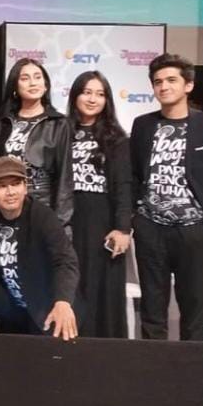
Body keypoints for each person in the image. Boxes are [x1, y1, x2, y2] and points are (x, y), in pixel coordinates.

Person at [129, 53, 203, 341]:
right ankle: (154, 366)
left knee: (194, 309)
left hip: (193, 230)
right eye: (158, 81)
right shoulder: (142, 125)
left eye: (171, 80)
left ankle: (191, 368)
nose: (164, 86)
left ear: (188, 85)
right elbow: (133, 174)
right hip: (150, 228)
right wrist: (137, 218)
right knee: (152, 310)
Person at [0, 157, 80, 339]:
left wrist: (63, 302)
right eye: (1, 186)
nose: (10, 192)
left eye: (16, 184)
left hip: (48, 311)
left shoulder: (42, 216)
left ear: (25, 187)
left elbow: (65, 260)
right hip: (12, 315)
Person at [65, 71, 133, 338]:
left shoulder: (116, 138)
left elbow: (124, 186)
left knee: (102, 288)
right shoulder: (61, 132)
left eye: (100, 94)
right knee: (70, 283)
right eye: (86, 92)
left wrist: (123, 228)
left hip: (102, 220)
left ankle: (104, 353)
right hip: (68, 218)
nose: (92, 99)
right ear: (75, 96)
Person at [0, 58, 75, 226]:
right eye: (25, 78)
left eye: (38, 77)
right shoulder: (4, 122)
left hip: (41, 202)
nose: (33, 83)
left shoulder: (58, 123)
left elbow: (64, 176)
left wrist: (61, 222)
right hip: (5, 204)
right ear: (15, 87)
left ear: (45, 85)